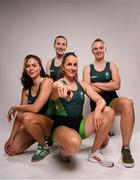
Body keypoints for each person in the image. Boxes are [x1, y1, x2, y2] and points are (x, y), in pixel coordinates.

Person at [50, 52, 115, 167]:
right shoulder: (58, 83)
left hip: (79, 126)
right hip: (61, 128)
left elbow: (101, 100)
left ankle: (94, 152)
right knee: (72, 147)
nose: (72, 68)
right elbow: (54, 90)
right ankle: (64, 148)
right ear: (63, 67)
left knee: (108, 111)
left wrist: (98, 111)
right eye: (69, 64)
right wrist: (61, 88)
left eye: (75, 65)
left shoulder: (82, 84)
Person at [82, 38, 135, 168]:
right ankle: (105, 135)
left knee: (128, 103)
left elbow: (117, 85)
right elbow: (86, 88)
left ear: (105, 49)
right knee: (104, 143)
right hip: (98, 107)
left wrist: (96, 84)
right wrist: (108, 84)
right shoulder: (87, 68)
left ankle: (126, 149)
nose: (98, 50)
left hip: (112, 101)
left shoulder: (112, 65)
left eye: (101, 48)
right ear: (92, 51)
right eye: (96, 48)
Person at [4, 55, 54, 162]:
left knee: (27, 117)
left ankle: (43, 146)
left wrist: (15, 107)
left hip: (51, 124)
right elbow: (20, 115)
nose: (31, 68)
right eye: (28, 66)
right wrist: (11, 137)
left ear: (40, 67)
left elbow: (36, 108)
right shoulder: (26, 89)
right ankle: (38, 136)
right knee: (12, 150)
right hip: (34, 124)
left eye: (34, 65)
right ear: (25, 70)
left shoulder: (47, 81)